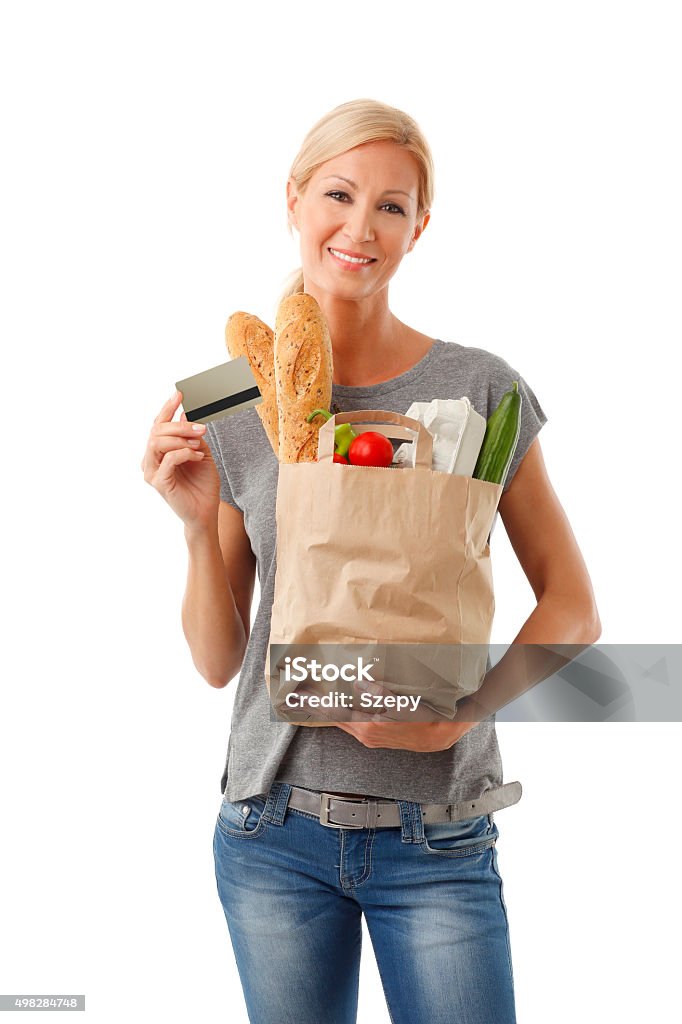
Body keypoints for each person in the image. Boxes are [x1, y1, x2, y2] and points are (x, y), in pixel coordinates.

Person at [141, 98, 601, 1024]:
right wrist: (196, 526)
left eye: (392, 206)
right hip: (269, 827)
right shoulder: (228, 395)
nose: (360, 228)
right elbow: (217, 659)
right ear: (294, 201)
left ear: (419, 228)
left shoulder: (478, 386)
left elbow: (573, 610)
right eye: (338, 195)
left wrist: (460, 716)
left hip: (434, 833)